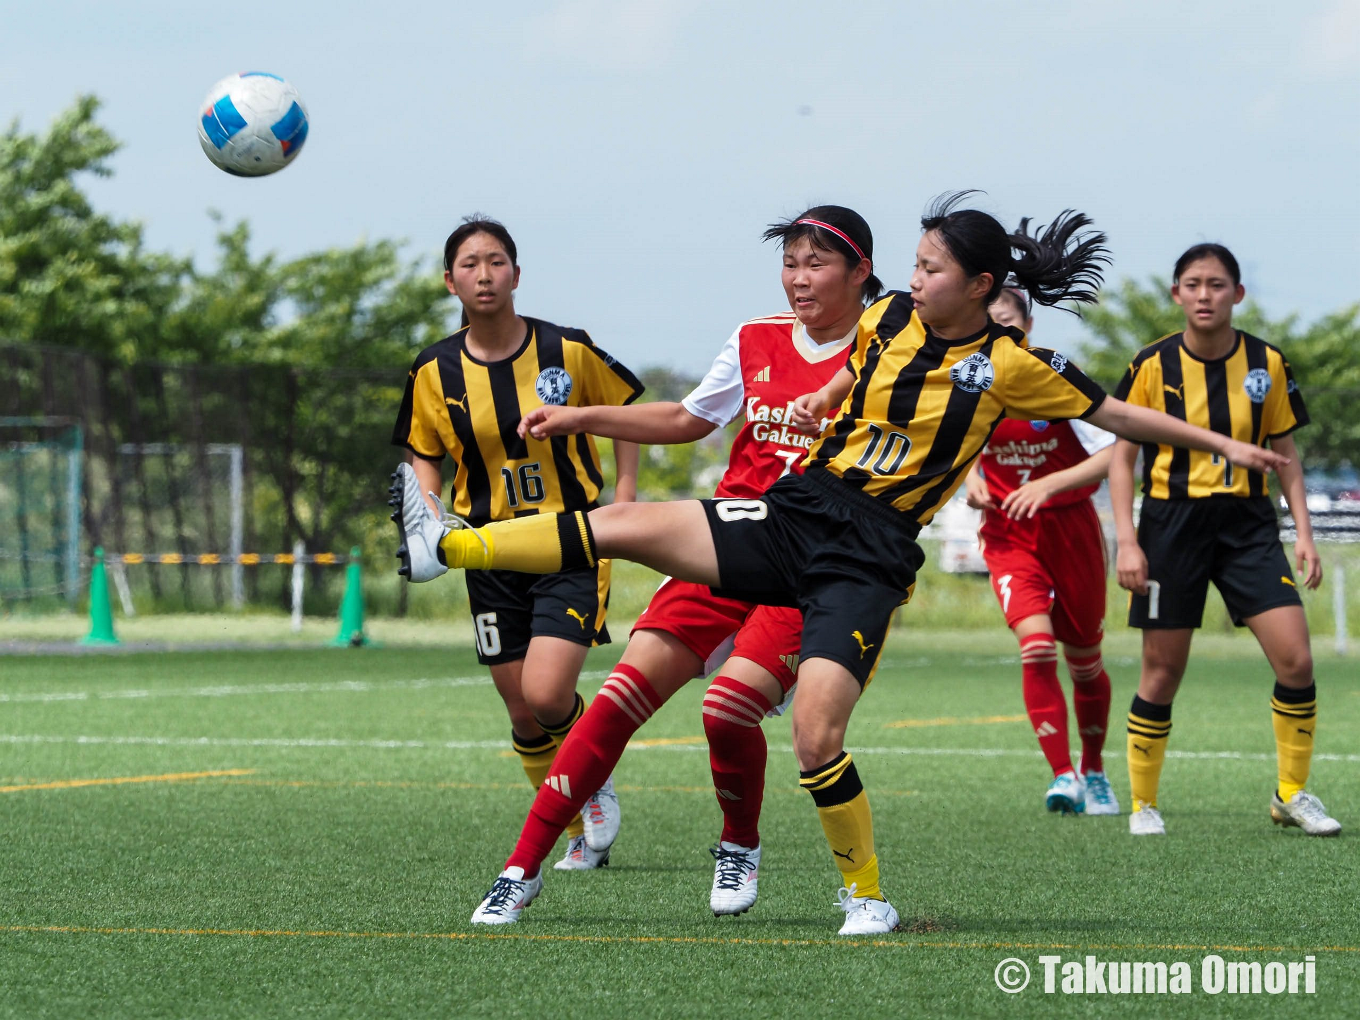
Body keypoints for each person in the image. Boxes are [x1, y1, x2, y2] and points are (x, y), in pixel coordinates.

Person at [394, 193, 1288, 935]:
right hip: (799, 511)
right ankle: (451, 549)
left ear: (979, 286)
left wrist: (1227, 447)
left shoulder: (1013, 366)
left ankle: (865, 896)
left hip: (868, 556)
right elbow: (842, 375)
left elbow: (1124, 417)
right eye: (915, 264)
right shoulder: (887, 318)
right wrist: (822, 398)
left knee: (815, 734)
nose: (914, 278)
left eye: (930, 268)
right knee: (623, 527)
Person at [456, 205, 882, 923]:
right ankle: (519, 871)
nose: (798, 280)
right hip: (726, 545)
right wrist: (581, 416)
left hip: (812, 564)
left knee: (727, 711)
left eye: (816, 264)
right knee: (617, 698)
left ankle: (739, 843)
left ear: (860, 271)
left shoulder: (890, 348)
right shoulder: (755, 338)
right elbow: (689, 419)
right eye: (789, 264)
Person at [388, 215, 643, 871]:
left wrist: (625, 494)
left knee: (548, 695)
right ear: (450, 282)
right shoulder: (434, 369)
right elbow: (423, 452)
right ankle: (575, 832)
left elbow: (624, 411)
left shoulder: (567, 348)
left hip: (568, 540)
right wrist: (430, 521)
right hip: (489, 549)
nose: (484, 274)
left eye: (496, 261)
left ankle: (591, 780)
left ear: (517, 274)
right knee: (522, 711)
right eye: (470, 264)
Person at [1110, 243, 1338, 838]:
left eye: (1216, 284)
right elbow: (1122, 459)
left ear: (1237, 294)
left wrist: (1305, 534)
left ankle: (1291, 793)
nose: (1204, 295)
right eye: (1192, 284)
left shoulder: (1267, 362)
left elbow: (1286, 454)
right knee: (1162, 671)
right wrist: (1128, 542)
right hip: (1171, 525)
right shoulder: (1151, 364)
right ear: (1176, 294)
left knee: (1296, 659)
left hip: (1248, 526)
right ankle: (1143, 804)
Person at [963, 287, 1118, 816]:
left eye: (1008, 323)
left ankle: (1094, 770)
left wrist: (1050, 485)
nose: (998, 333)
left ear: (1028, 327)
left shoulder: (1055, 376)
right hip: (1009, 534)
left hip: (1071, 531)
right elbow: (947, 446)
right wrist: (970, 478)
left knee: (1085, 662)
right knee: (1036, 647)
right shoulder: (968, 382)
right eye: (988, 324)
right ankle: (1063, 775)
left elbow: (1115, 453)